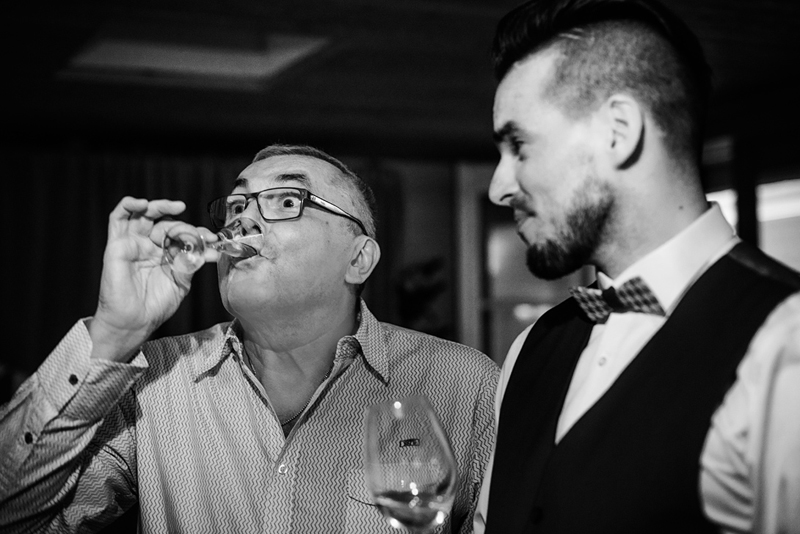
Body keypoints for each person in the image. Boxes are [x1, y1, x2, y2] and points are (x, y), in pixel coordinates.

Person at [0, 144, 499, 533]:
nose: (242, 219)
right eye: (237, 204)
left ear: (358, 259)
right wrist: (113, 334)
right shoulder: (155, 382)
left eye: (287, 200)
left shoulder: (462, 383)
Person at [473, 0, 800, 533]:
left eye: (519, 145)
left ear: (619, 131)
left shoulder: (785, 342)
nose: (498, 187)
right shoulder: (531, 348)